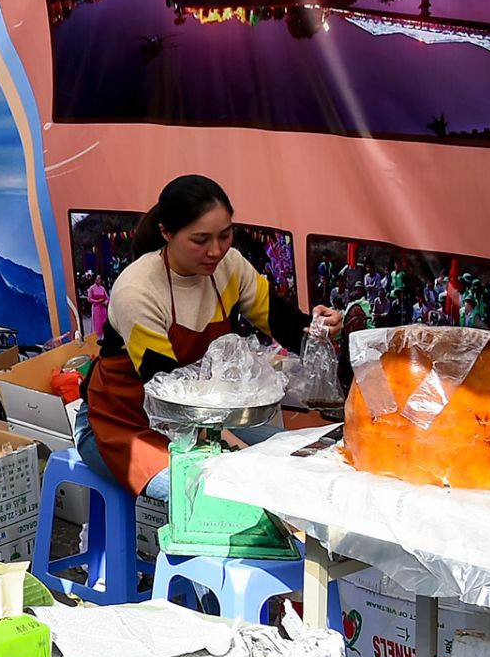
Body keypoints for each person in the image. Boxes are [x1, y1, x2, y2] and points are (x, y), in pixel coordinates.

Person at [78, 175, 343, 498]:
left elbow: (282, 323)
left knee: (306, 465)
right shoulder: (139, 290)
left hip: (204, 420)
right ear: (167, 233)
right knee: (221, 497)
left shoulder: (230, 266)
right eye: (200, 240)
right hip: (123, 425)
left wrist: (319, 327)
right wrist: (232, 448)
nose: (215, 251)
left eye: (225, 235)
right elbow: (167, 392)